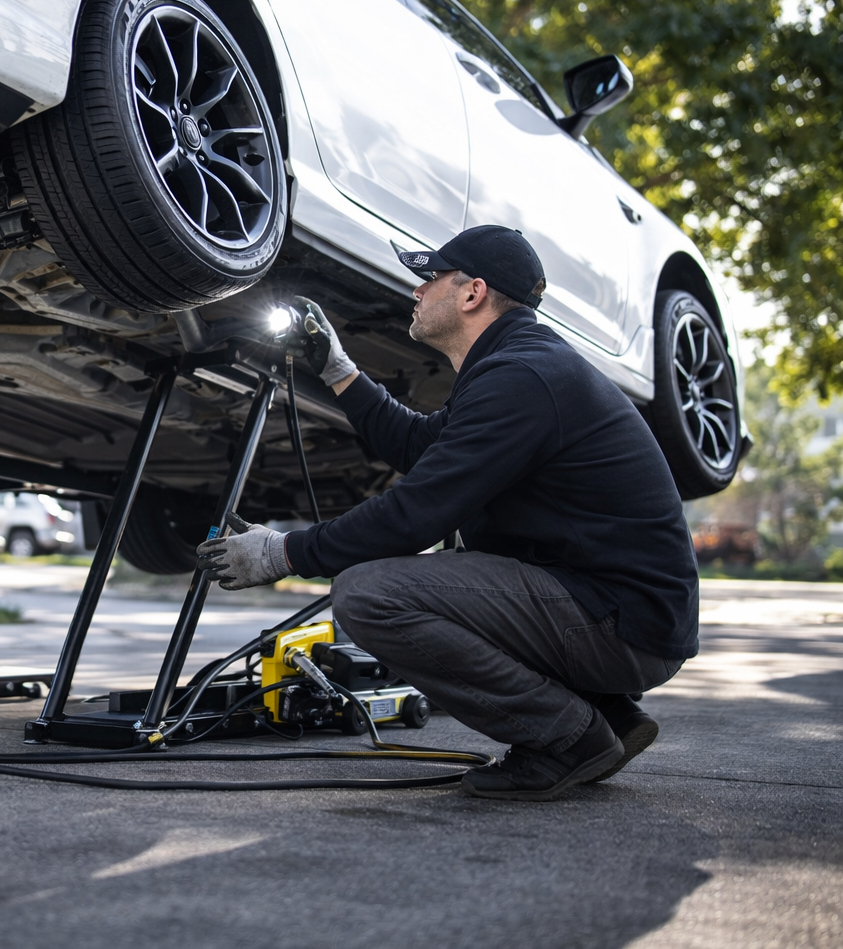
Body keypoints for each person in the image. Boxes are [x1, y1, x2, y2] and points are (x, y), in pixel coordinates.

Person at [197, 225, 699, 801]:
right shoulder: (515, 365)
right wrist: (338, 369)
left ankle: (568, 736)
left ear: (471, 294)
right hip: (617, 613)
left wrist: (282, 552)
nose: (416, 291)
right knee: (456, 565)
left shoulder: (522, 377)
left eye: (429, 278)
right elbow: (420, 446)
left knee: (370, 595)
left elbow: (415, 515)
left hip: (620, 625)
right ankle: (607, 714)